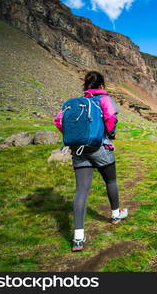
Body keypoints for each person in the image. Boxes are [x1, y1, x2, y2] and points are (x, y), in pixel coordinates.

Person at [54, 71, 128, 252]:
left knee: (81, 190)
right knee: (111, 180)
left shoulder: (75, 103)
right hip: (99, 147)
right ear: (101, 86)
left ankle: (78, 237)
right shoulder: (104, 99)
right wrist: (110, 133)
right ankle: (115, 214)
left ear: (85, 86)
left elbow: (58, 120)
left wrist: (75, 137)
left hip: (79, 150)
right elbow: (110, 117)